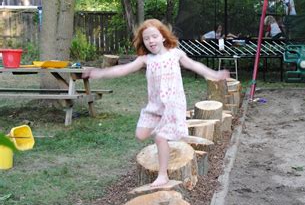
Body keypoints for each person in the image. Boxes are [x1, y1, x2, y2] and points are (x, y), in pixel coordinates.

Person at [83, 19, 230, 187]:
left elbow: (195, 66)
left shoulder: (175, 54)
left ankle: (163, 174)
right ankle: (172, 132)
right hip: (155, 106)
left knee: (160, 138)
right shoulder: (145, 59)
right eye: (146, 38)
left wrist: (214, 74)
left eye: (154, 36)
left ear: (163, 37)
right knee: (141, 135)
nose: (151, 41)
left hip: (172, 105)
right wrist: (98, 73)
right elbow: (122, 69)